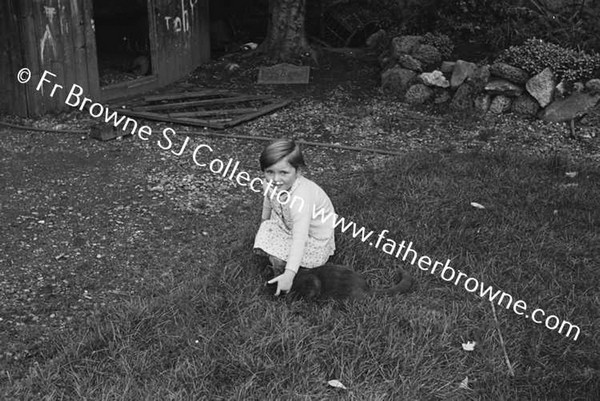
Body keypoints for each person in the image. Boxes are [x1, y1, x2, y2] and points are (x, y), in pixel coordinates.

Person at [253, 138, 336, 296]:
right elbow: (268, 200)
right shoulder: (270, 183)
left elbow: (300, 238)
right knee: (266, 229)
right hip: (288, 224)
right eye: (270, 172)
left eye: (283, 172)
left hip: (312, 240)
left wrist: (289, 274)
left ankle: (288, 275)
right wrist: (263, 223)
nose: (275, 179)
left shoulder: (301, 198)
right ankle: (285, 264)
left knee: (283, 257)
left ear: (298, 171)